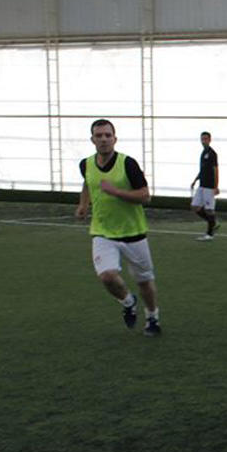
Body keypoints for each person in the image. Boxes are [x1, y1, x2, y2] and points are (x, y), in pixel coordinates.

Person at [75, 118, 162, 337]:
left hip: (133, 234)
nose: (103, 139)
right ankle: (128, 302)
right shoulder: (85, 164)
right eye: (99, 136)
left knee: (144, 282)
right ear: (92, 140)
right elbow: (88, 183)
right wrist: (83, 205)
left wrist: (116, 192)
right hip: (102, 232)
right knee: (107, 276)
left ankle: (152, 317)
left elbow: (145, 196)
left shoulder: (128, 164)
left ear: (115, 139)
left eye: (108, 135)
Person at [190, 131, 219, 240]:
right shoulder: (203, 153)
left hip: (209, 186)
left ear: (210, 140)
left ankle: (210, 234)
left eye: (206, 139)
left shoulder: (212, 153)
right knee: (195, 206)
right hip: (201, 185)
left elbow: (216, 170)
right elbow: (202, 170)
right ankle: (213, 222)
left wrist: (216, 186)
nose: (203, 141)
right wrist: (195, 180)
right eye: (202, 139)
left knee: (209, 209)